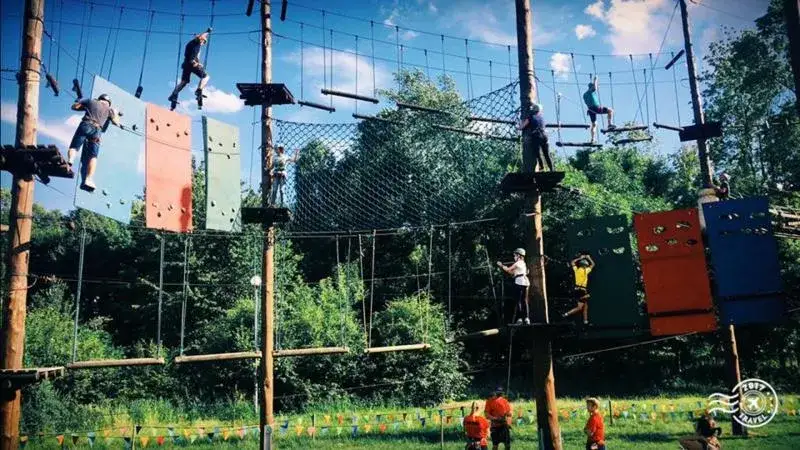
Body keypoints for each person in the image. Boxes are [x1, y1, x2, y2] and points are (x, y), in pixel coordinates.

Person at [67, 93, 120, 191]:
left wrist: (83, 106)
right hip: (97, 131)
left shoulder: (91, 101)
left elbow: (74, 107)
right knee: (93, 157)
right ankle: (88, 179)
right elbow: (116, 122)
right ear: (108, 102)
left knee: (74, 147)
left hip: (86, 124)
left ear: (100, 98)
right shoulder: (110, 110)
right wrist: (115, 113)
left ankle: (70, 161)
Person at [168, 29, 212, 108]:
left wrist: (199, 63)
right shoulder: (195, 43)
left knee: (184, 82)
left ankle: (173, 95)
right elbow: (201, 36)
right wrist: (208, 32)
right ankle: (199, 90)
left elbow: (193, 57)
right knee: (206, 77)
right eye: (203, 42)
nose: (203, 44)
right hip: (192, 64)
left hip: (186, 64)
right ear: (201, 39)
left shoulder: (191, 45)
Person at [496, 248, 530, 325]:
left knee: (518, 301)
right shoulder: (522, 263)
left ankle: (521, 318)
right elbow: (512, 272)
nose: (514, 257)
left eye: (515, 255)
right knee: (524, 301)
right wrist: (504, 267)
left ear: (519, 255)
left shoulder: (518, 263)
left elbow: (508, 269)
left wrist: (501, 265)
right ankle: (526, 318)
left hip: (519, 283)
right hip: (524, 282)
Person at [518, 103, 554, 172]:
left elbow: (522, 126)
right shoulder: (541, 118)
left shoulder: (530, 117)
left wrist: (518, 127)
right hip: (544, 136)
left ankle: (542, 167)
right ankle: (551, 168)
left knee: (537, 153)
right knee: (546, 153)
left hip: (536, 136)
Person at [562, 252, 595, 325]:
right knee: (580, 307)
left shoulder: (576, 270)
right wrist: (588, 257)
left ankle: (585, 321)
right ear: (585, 266)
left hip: (577, 290)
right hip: (582, 291)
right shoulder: (586, 271)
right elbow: (593, 264)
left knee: (585, 306)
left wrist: (580, 258)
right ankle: (566, 314)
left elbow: (572, 262)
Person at [583, 76, 615, 143]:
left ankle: (592, 139)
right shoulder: (591, 91)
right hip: (596, 108)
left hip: (591, 110)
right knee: (610, 110)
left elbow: (587, 103)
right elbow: (595, 87)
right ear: (591, 87)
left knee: (594, 124)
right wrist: (595, 79)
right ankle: (609, 124)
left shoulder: (584, 94)